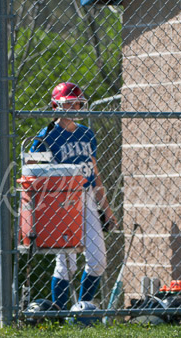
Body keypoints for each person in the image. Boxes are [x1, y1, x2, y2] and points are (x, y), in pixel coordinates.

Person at [30, 82, 116, 311]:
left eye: (76, 102)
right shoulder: (46, 136)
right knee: (66, 263)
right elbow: (33, 175)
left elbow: (94, 174)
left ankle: (82, 310)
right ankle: (57, 313)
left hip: (86, 196)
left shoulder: (86, 133)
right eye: (67, 103)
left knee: (98, 260)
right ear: (55, 105)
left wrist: (106, 209)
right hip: (60, 201)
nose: (74, 107)